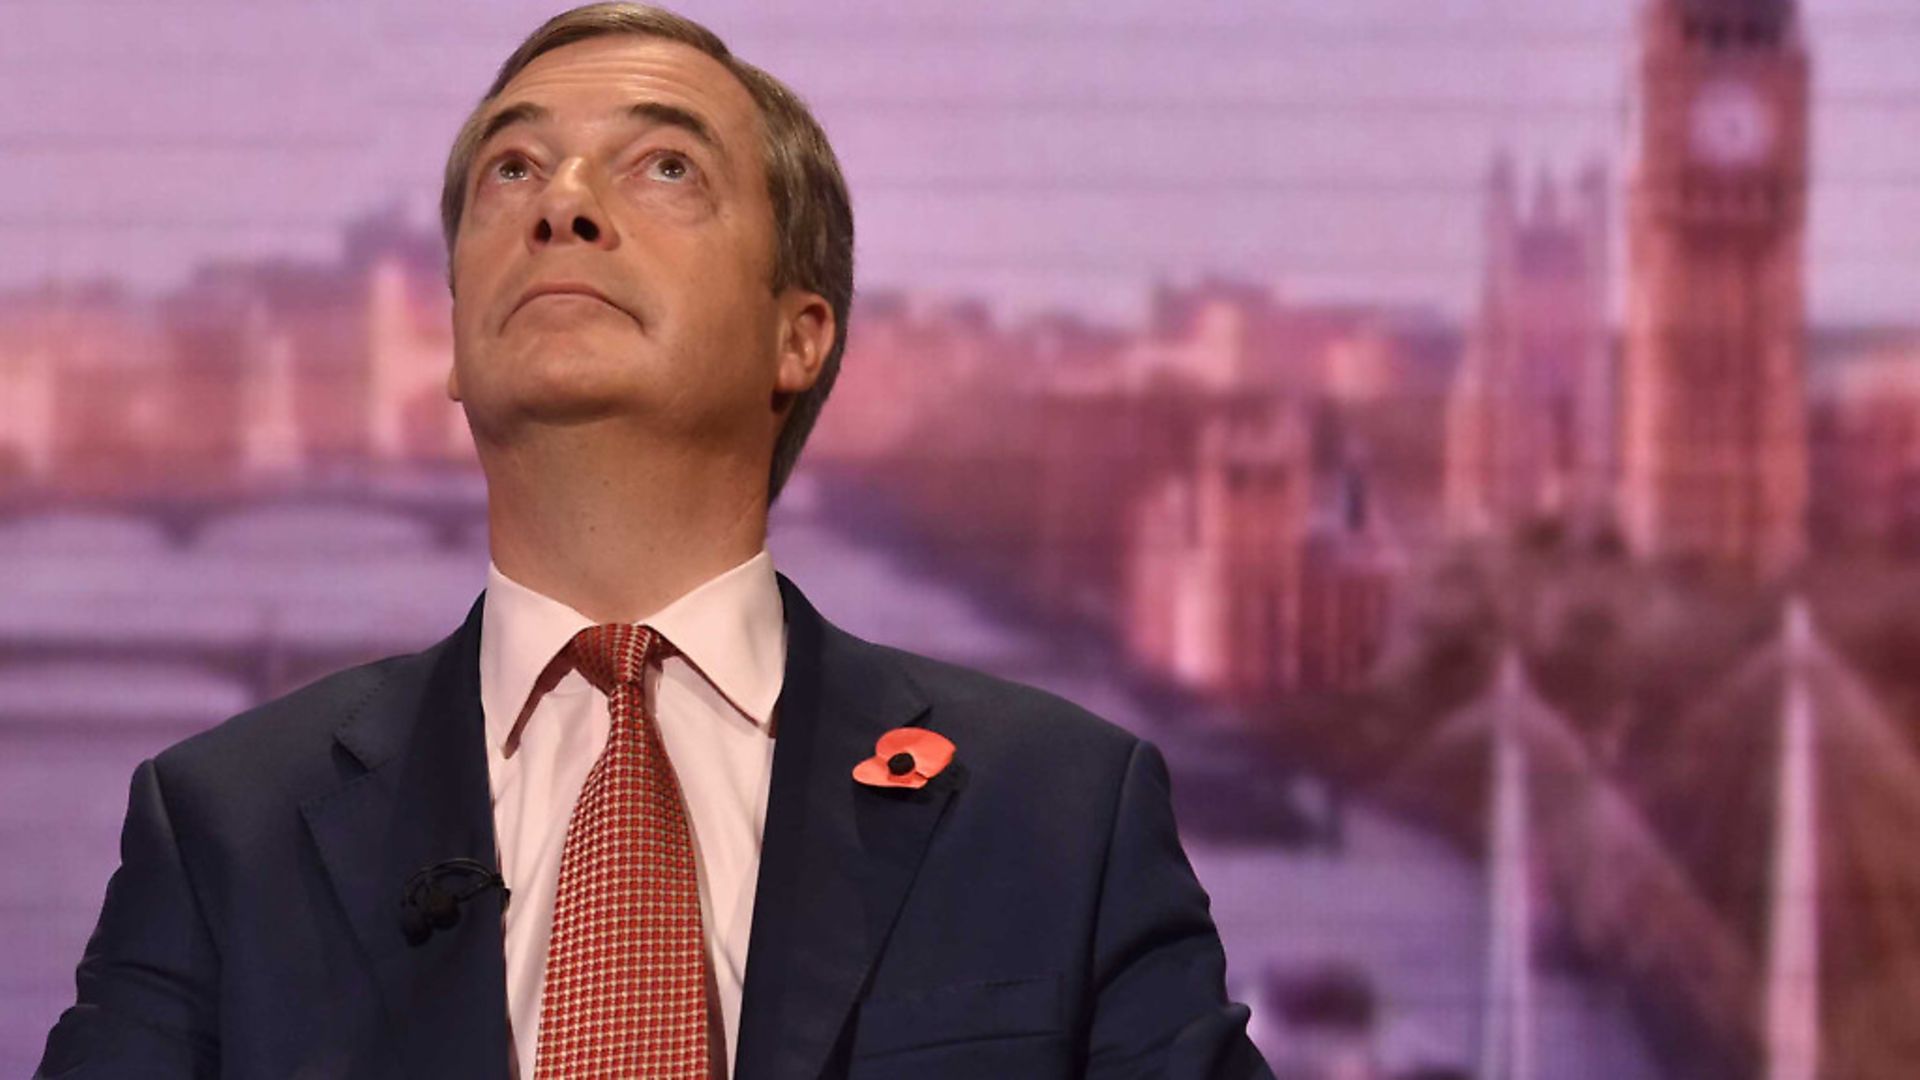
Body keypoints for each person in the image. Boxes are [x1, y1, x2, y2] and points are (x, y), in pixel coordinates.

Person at [35, 5, 1274, 1078]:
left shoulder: (1057, 816)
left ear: (801, 335)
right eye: (512, 170)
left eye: (665, 167)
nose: (563, 205)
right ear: (458, 340)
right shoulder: (222, 832)